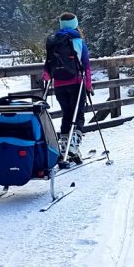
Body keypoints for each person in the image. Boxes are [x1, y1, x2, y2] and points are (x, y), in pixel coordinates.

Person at [42, 12, 93, 165]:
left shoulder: (52, 40)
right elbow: (86, 65)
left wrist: (47, 79)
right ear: (75, 23)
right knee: (78, 116)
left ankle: (64, 148)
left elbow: (47, 65)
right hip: (76, 82)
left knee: (67, 115)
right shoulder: (78, 40)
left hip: (58, 83)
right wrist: (89, 86)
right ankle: (73, 148)